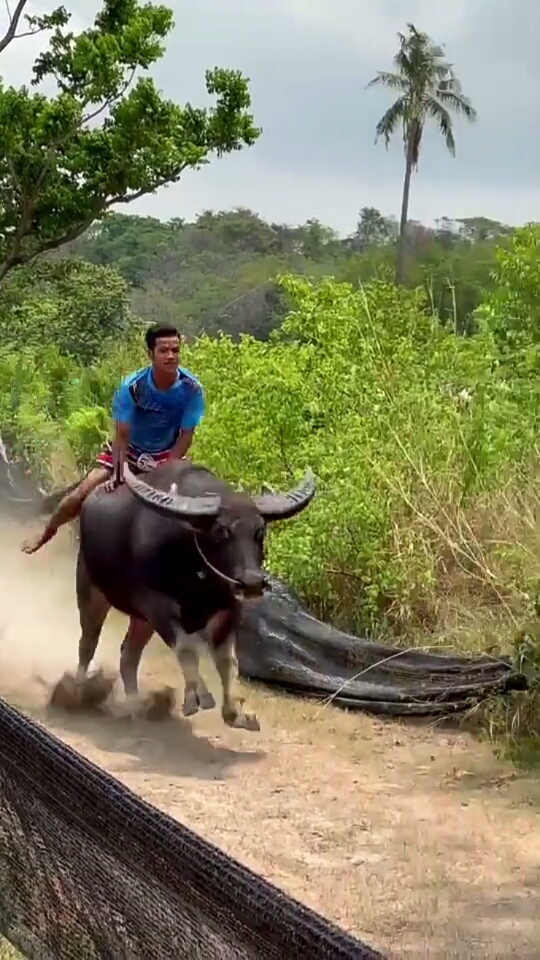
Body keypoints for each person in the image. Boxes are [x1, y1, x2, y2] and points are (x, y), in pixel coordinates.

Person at [22, 323, 205, 554]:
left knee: (198, 501)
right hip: (127, 451)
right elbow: (121, 435)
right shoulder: (133, 387)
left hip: (166, 455)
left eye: (175, 350)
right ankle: (47, 532)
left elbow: (186, 436)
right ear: (150, 354)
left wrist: (166, 470)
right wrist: (120, 473)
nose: (171, 356)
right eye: (164, 351)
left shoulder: (192, 388)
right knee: (82, 492)